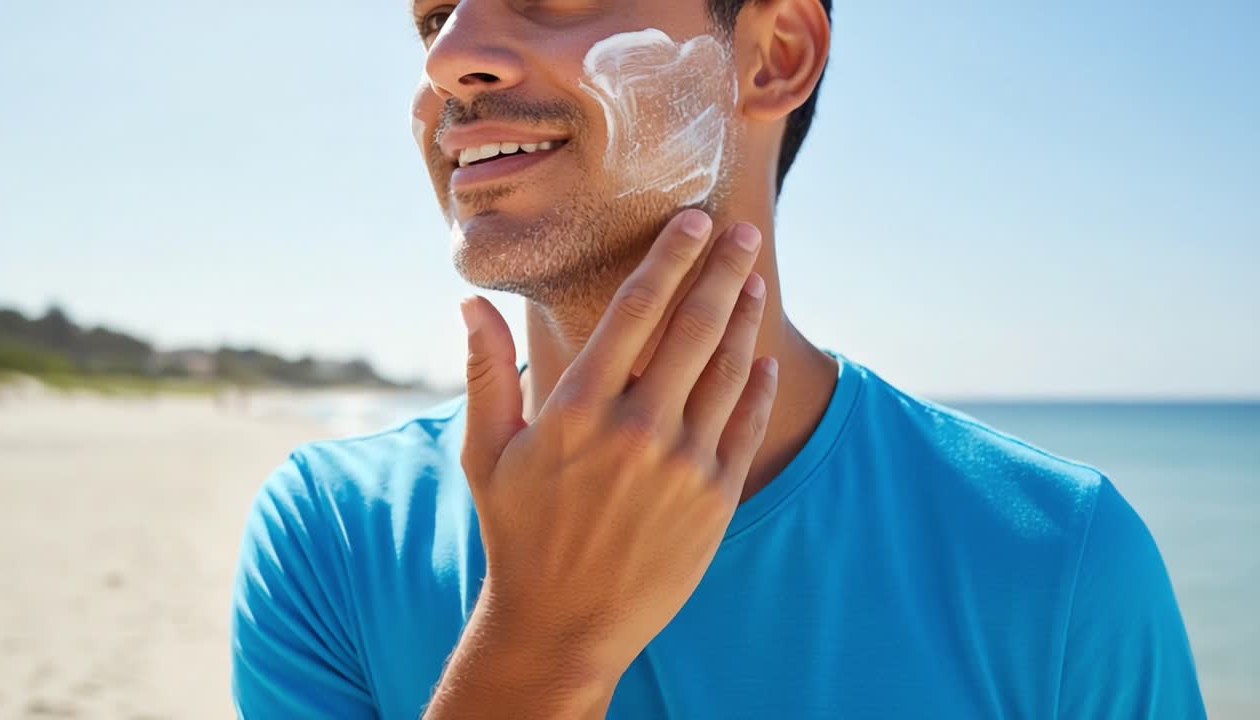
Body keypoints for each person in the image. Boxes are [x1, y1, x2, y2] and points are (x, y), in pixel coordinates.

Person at [231, 1, 1206, 717]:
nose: (450, 61)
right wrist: (541, 643)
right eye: (434, 15)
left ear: (773, 58)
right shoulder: (332, 531)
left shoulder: (1056, 552)